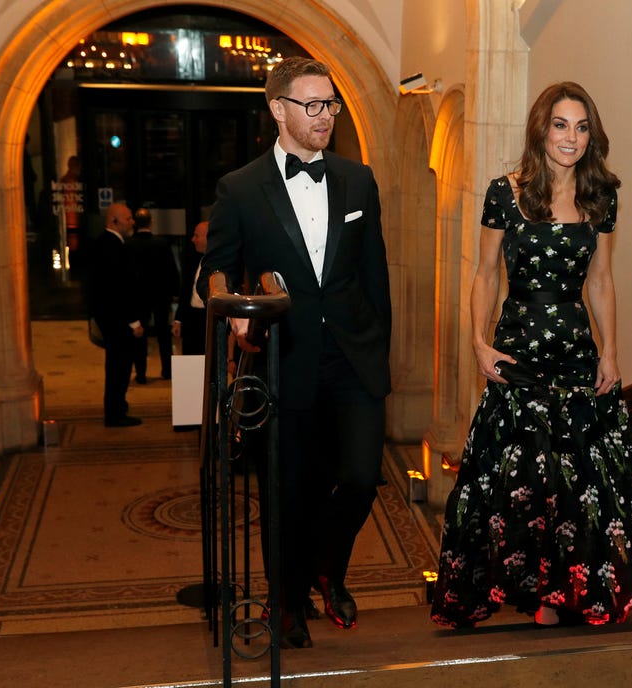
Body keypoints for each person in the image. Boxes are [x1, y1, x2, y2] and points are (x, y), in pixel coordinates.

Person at [430, 82, 632, 628]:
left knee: (577, 480)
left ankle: (563, 593)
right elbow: (485, 274)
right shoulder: (506, 192)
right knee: (524, 476)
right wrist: (480, 342)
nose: (570, 137)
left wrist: (611, 351)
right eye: (560, 125)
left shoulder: (601, 196)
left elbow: (600, 280)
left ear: (590, 135)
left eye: (580, 127)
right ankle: (533, 592)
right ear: (541, 130)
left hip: (576, 351)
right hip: (518, 349)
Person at [198, 56, 391, 647]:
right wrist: (232, 314)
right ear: (277, 109)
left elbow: (374, 276)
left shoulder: (358, 180)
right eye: (311, 105)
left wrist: (382, 353)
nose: (325, 116)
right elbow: (218, 268)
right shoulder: (239, 188)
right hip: (286, 357)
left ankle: (326, 568)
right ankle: (286, 603)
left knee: (360, 478)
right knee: (290, 492)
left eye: (329, 104)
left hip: (353, 358)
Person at [86, 202, 145, 427]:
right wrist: (134, 322)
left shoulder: (106, 243)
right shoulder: (111, 246)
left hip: (110, 317)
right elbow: (118, 289)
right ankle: (115, 412)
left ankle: (118, 407)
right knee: (119, 367)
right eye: (128, 218)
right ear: (114, 221)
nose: (132, 222)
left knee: (117, 366)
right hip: (117, 320)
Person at [128, 207, 179, 382]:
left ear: (135, 222)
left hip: (137, 295)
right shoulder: (161, 243)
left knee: (139, 334)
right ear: (151, 222)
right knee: (163, 333)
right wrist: (174, 291)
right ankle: (167, 371)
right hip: (160, 294)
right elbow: (171, 269)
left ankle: (141, 374)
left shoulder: (129, 244)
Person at [172, 220, 208, 355]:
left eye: (197, 236)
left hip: (209, 320)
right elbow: (185, 291)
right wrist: (178, 320)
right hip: (191, 319)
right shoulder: (191, 259)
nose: (193, 240)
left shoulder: (221, 263)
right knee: (189, 364)